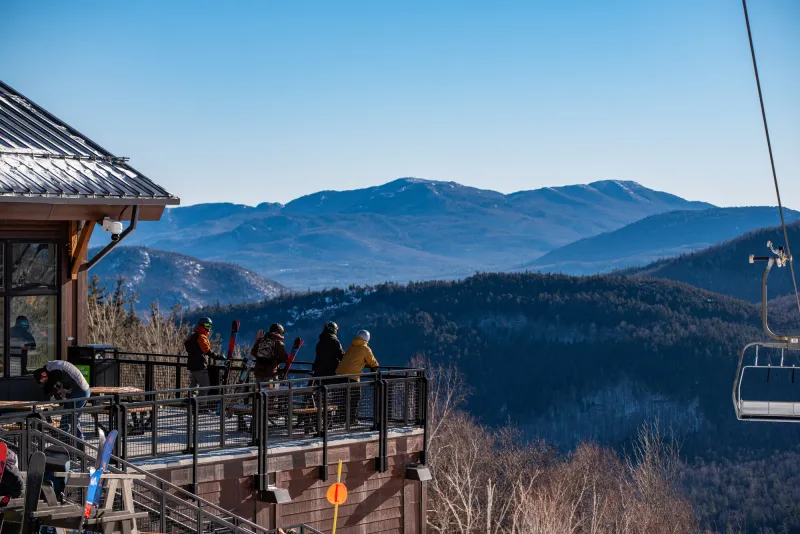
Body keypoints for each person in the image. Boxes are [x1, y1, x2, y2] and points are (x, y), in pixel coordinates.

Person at [33, 360, 91, 441]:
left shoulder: (55, 370)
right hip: (82, 390)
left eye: (45, 381)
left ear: (43, 374)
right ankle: (75, 443)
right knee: (71, 419)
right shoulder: (54, 366)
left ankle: (69, 444)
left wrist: (48, 390)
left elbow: (48, 388)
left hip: (79, 392)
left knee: (68, 420)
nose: (46, 382)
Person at [336, 330, 379, 426]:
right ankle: (352, 420)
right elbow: (373, 363)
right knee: (355, 397)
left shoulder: (351, 346)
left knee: (343, 398)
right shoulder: (365, 349)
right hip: (352, 376)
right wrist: (373, 367)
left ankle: (341, 419)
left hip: (340, 374)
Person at [184, 317, 226, 397]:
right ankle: (200, 407)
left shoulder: (193, 336)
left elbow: (187, 346)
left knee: (193, 388)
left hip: (192, 366)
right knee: (205, 387)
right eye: (207, 324)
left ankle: (191, 406)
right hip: (200, 366)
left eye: (210, 325)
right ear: (202, 325)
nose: (209, 327)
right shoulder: (201, 337)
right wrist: (219, 357)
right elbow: (207, 351)